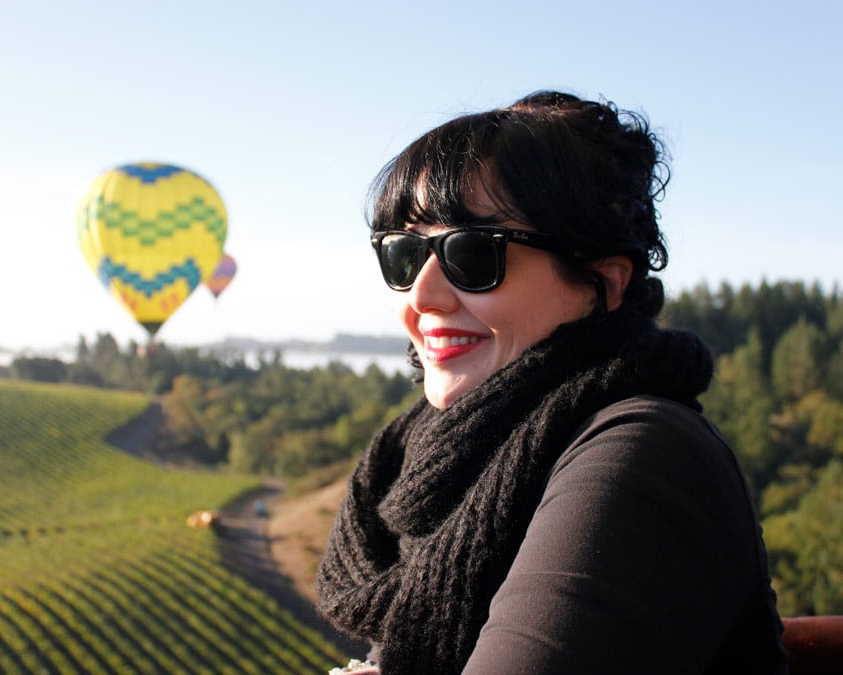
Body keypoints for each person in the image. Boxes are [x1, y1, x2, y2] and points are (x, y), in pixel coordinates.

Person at [316, 90, 789, 674]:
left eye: (472, 252)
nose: (421, 295)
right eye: (404, 253)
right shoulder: (440, 458)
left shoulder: (642, 452)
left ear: (603, 283)